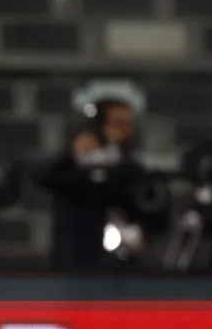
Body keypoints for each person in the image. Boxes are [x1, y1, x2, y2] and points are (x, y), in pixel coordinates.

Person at [36, 97, 146, 270]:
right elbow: (46, 177)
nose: (124, 131)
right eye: (117, 124)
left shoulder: (131, 168)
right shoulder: (72, 164)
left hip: (120, 262)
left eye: (127, 125)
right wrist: (75, 158)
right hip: (75, 259)